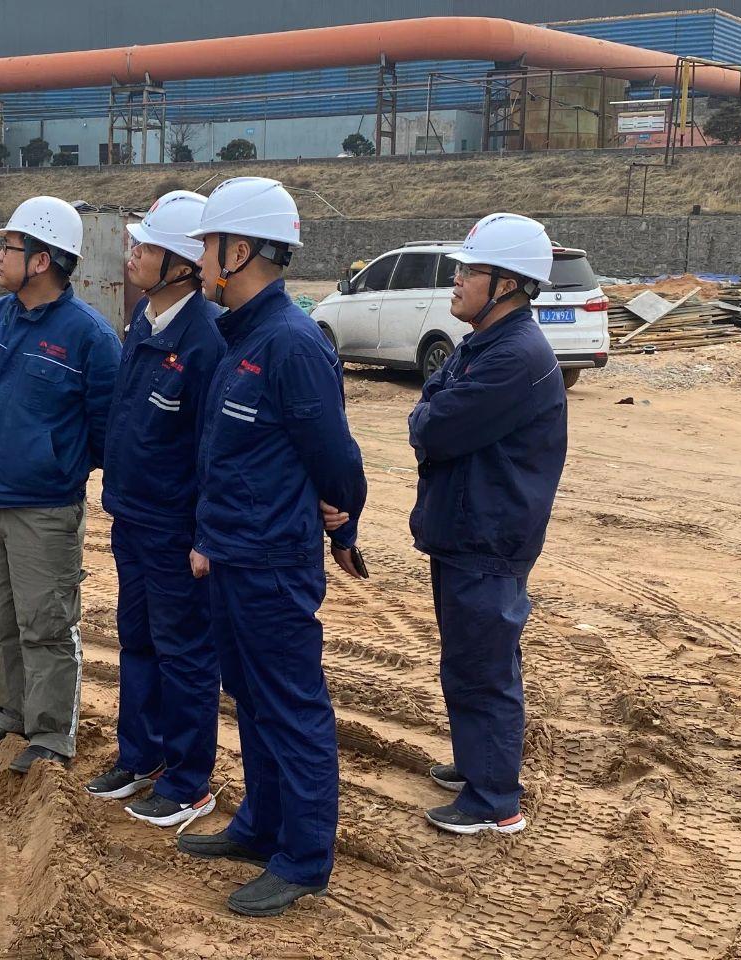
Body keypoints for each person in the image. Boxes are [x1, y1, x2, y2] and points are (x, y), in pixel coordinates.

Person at [176, 177, 368, 917]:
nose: (200, 260)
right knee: (252, 701)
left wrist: (343, 524)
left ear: (241, 251)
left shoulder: (290, 342)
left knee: (291, 707)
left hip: (273, 563)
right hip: (233, 554)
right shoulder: (242, 337)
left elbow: (337, 458)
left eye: (208, 246)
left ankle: (304, 857)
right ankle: (261, 826)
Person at [0, 196, 121, 774]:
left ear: (40, 260)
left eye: (8, 246)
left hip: (45, 509)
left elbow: (109, 431)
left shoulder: (90, 337)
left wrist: (61, 466)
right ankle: (11, 713)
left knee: (47, 624)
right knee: (0, 616)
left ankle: (52, 733)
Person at [408, 212, 567, 836]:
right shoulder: (485, 344)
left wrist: (428, 414)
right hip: (468, 530)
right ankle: (479, 764)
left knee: (483, 667)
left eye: (469, 271)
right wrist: (430, 410)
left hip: (488, 536)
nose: (457, 280)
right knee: (469, 660)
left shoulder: (514, 357)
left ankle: (495, 799)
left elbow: (434, 427)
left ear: (507, 284)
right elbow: (433, 398)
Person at [84, 191, 225, 828]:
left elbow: (211, 449)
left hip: (175, 526)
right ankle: (140, 756)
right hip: (133, 516)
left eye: (147, 247)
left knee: (184, 651)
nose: (132, 254)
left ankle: (189, 781)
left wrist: (203, 533)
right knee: (138, 640)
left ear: (184, 265)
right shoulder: (144, 322)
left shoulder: (206, 340)